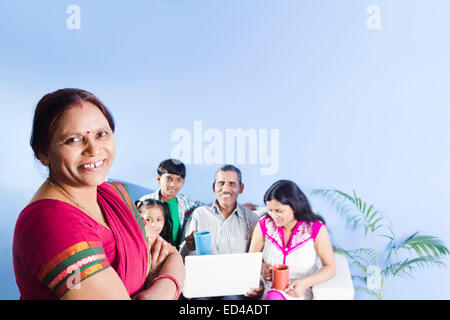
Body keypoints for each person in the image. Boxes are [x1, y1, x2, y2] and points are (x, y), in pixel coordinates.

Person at [12, 88, 184, 300]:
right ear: (43, 154)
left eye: (101, 134)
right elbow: (172, 264)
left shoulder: (112, 194)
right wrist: (167, 282)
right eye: (73, 140)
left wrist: (160, 291)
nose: (93, 149)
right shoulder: (50, 221)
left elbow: (172, 255)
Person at [246, 180, 335, 300]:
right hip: (271, 292)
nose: (273, 215)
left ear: (295, 207)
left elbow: (330, 268)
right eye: (270, 210)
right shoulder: (264, 225)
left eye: (279, 211)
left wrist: (305, 283)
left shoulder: (315, 228)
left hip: (300, 292)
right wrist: (262, 268)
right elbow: (251, 260)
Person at [180, 164, 259, 257]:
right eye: (221, 183)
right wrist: (188, 246)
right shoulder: (199, 214)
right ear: (214, 187)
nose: (225, 189)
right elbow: (182, 255)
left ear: (241, 188)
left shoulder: (252, 219)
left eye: (232, 184)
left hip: (239, 271)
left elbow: (256, 257)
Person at [138, 159, 202, 248]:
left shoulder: (187, 203)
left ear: (183, 182)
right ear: (159, 179)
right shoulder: (144, 202)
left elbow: (206, 211)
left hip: (176, 255)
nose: (173, 184)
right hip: (149, 253)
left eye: (178, 180)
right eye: (168, 179)